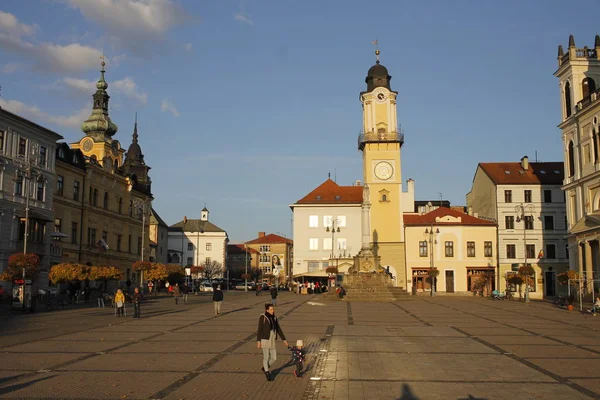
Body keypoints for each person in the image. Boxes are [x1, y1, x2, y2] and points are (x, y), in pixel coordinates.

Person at [257, 303, 288, 381]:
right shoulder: (263, 317)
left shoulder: (274, 318)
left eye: (273, 309)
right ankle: (267, 373)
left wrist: (284, 339)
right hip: (265, 339)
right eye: (271, 309)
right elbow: (259, 330)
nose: (272, 311)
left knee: (274, 358)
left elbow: (278, 329)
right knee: (266, 357)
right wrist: (258, 341)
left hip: (272, 339)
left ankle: (265, 367)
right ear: (267, 310)